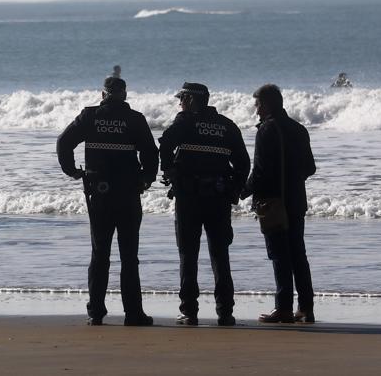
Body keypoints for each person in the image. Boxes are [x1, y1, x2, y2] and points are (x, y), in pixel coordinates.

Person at [57, 76, 159, 326]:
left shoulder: (89, 116)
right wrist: (146, 179)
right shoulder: (135, 119)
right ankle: (133, 314)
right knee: (129, 256)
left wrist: (72, 170)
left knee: (100, 254)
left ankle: (96, 313)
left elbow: (63, 142)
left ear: (103, 95)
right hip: (128, 194)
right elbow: (151, 153)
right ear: (124, 95)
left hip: (99, 193)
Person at [158, 82, 250, 326]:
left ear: (190, 100)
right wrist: (234, 190)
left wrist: (169, 171)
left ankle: (189, 311)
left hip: (189, 198)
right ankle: (225, 312)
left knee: (188, 255)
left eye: (182, 99)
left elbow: (165, 144)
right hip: (219, 200)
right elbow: (244, 164)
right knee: (220, 255)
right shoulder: (227, 126)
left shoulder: (185, 122)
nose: (179, 103)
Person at [243, 83, 317, 324]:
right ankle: (306, 308)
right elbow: (310, 168)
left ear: (266, 105)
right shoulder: (299, 129)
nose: (256, 111)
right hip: (297, 200)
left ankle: (283, 308)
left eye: (257, 106)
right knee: (298, 254)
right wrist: (292, 180)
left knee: (279, 255)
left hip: (273, 203)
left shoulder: (266, 131)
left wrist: (242, 192)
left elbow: (260, 171)